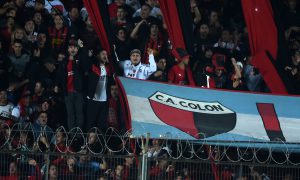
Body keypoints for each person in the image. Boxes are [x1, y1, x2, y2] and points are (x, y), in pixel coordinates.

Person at [86, 49, 112, 131]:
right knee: (91, 123)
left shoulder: (109, 68)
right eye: (103, 54)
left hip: (104, 101)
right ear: (98, 56)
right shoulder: (93, 67)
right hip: (93, 99)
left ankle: (98, 143)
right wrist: (89, 56)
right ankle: (88, 142)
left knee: (101, 124)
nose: (105, 56)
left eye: (106, 54)